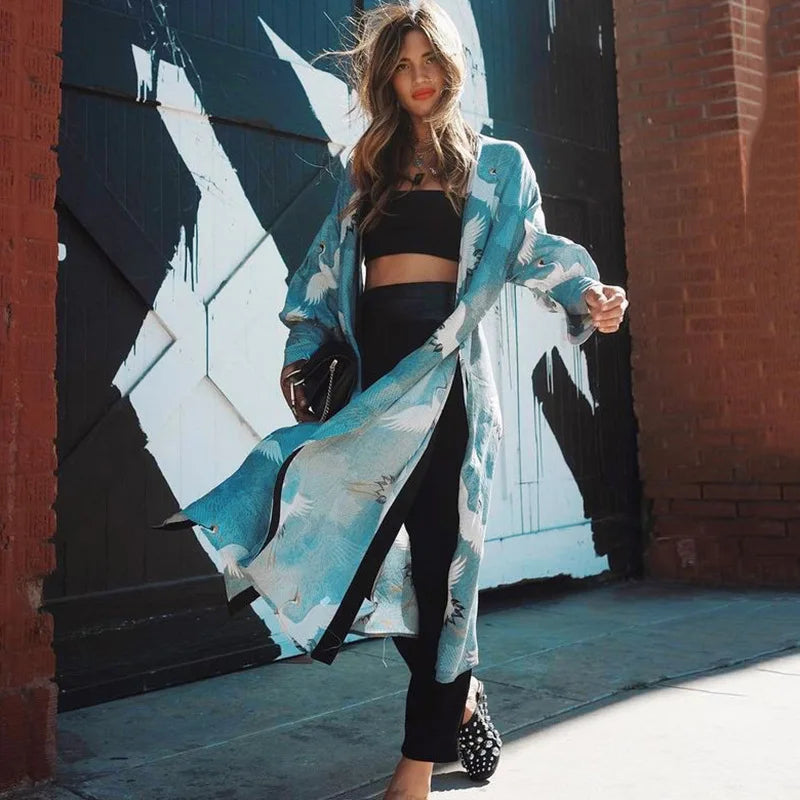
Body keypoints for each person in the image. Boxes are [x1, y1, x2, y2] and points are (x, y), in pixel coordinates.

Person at [156, 3, 627, 799]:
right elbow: (316, 279)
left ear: (453, 69)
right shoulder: (366, 169)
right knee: (368, 560)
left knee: (442, 568)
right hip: (378, 388)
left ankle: (415, 764)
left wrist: (590, 294)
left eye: (432, 62)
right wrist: (306, 353)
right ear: (385, 75)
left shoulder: (496, 167)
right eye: (404, 64)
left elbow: (534, 250)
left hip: (446, 386)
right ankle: (461, 693)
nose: (420, 78)